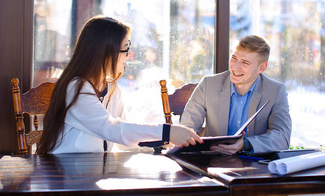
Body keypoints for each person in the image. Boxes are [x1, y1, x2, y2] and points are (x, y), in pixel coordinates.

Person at [37, 15, 202, 154]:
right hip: (65, 178)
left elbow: (123, 139)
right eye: (125, 48)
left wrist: (161, 147)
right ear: (105, 52)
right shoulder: (75, 88)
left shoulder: (112, 89)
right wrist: (167, 132)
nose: (129, 55)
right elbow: (111, 128)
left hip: (92, 174)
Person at [180, 35, 292, 155]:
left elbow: (282, 137)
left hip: (255, 166)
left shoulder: (276, 91)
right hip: (211, 161)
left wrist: (246, 144)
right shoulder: (208, 84)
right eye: (234, 58)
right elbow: (187, 128)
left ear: (262, 67)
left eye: (245, 62)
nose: (235, 67)